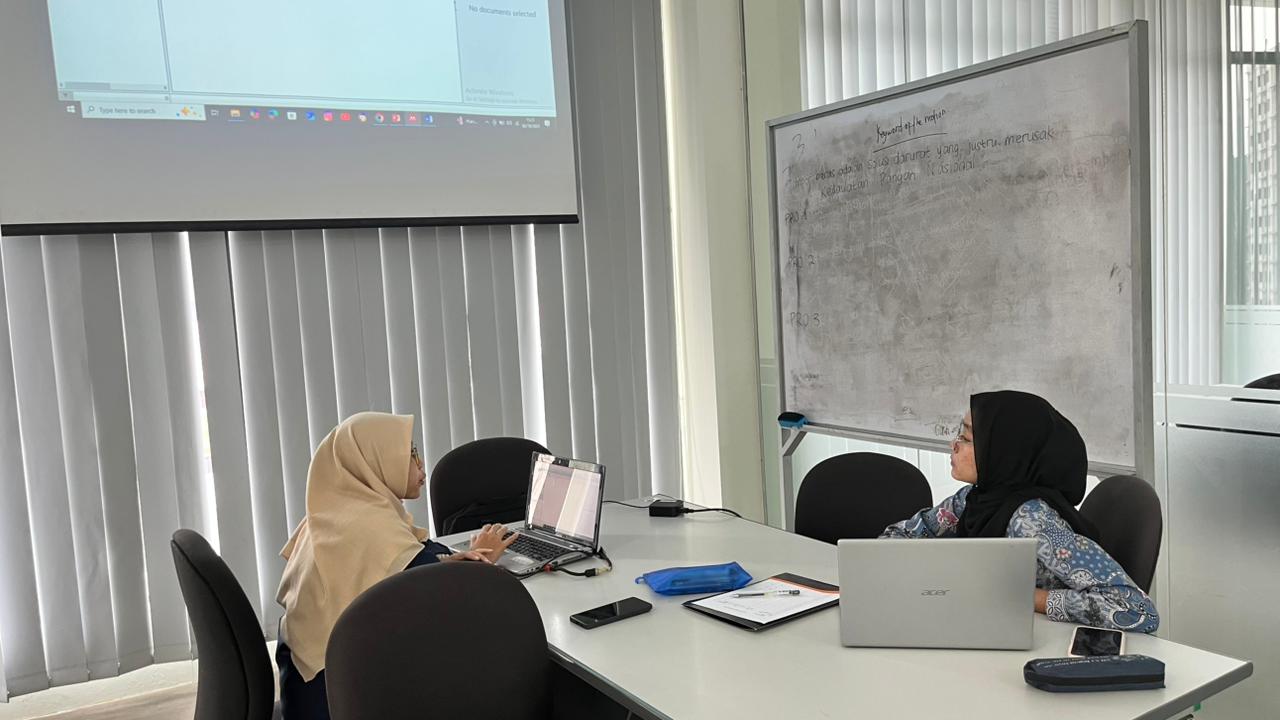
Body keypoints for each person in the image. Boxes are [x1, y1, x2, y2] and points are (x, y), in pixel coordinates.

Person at [275, 412, 518, 720]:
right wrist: (482, 556)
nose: (421, 466)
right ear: (373, 461)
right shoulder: (368, 527)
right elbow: (451, 594)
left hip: (312, 689)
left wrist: (454, 559)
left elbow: (418, 559)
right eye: (409, 454)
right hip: (340, 701)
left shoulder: (333, 514)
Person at [880, 390, 1159, 633]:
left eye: (966, 438)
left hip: (1044, 642)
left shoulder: (1031, 521)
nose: (953, 445)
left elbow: (1137, 610)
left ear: (1002, 451)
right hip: (988, 627)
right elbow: (901, 536)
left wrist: (1023, 596)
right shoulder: (973, 500)